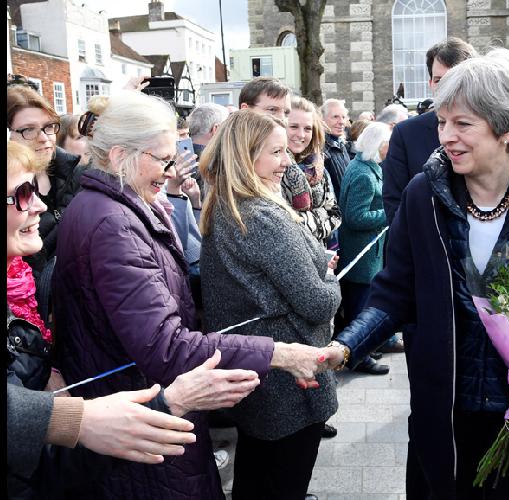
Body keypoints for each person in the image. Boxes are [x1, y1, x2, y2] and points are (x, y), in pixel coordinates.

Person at [322, 49, 509, 499]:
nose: (446, 138)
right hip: (447, 407)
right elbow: (394, 292)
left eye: (463, 124)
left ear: (506, 128)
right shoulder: (425, 194)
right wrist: (345, 348)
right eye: (442, 123)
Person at [51, 90, 332, 499]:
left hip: (137, 411)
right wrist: (281, 353)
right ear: (118, 156)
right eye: (162, 159)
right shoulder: (113, 224)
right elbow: (165, 345)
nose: (169, 172)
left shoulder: (108, 208)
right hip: (144, 415)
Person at [7, 141, 239, 499]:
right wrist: (165, 403)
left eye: (35, 190)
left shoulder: (22, 278)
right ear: (119, 155)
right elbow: (33, 461)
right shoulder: (108, 220)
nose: (39, 205)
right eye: (22, 195)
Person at [200, 110, 343, 500]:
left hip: (260, 375)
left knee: (257, 478)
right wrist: (329, 278)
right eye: (276, 152)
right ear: (246, 157)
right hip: (289, 384)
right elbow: (317, 303)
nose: (287, 162)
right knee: (282, 482)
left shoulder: (227, 206)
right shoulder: (260, 216)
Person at [382, 37, 478, 224]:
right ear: (430, 84)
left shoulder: (492, 129)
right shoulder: (406, 134)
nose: (448, 88)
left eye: (455, 78)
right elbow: (394, 203)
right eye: (439, 80)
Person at [336, 121, 405, 369]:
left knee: (365, 302)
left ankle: (367, 347)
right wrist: (390, 213)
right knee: (359, 305)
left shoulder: (366, 166)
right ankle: (358, 356)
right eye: (388, 143)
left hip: (368, 252)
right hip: (361, 253)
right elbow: (355, 217)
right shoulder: (364, 175)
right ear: (378, 145)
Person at [8, 85, 82, 277]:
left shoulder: (75, 174)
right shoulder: (10, 191)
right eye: (28, 130)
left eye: (48, 127)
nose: (44, 138)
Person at [240, 78, 314, 214]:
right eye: (272, 110)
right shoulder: (229, 161)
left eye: (286, 113)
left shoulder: (288, 155)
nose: (282, 119)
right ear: (245, 110)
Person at [287, 96, 343, 249]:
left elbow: (335, 214)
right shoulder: (272, 168)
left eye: (307, 128)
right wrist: (320, 216)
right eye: (293, 126)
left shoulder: (318, 167)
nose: (301, 135)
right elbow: (283, 228)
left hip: (321, 252)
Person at [321, 98, 352, 202]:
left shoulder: (341, 144)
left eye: (343, 117)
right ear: (322, 119)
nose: (341, 122)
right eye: (335, 117)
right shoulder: (320, 149)